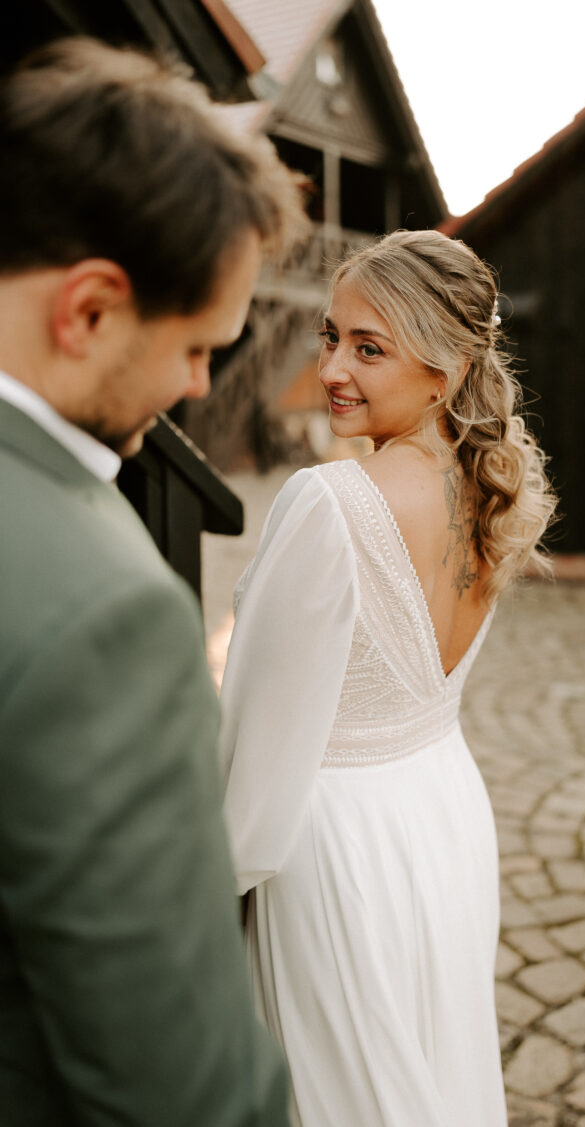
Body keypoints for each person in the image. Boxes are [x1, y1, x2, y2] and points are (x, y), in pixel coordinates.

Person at [0, 38, 307, 1127]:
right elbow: (184, 1086)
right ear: (87, 310)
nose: (195, 385)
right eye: (197, 347)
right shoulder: (105, 610)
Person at [220, 229, 557, 1126]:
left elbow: (256, 752)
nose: (333, 367)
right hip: (441, 814)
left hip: (335, 848)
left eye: (370, 348)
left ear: (444, 368)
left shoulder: (331, 503)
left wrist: (208, 888)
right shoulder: (488, 490)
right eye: (332, 337)